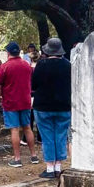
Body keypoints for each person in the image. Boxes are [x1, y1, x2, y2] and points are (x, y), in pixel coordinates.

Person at [0, 41, 39, 167]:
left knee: (14, 128)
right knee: (27, 127)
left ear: (8, 52)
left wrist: (1, 95)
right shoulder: (26, 65)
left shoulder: (5, 66)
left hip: (10, 101)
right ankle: (34, 155)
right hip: (25, 100)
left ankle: (17, 158)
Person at [32, 38, 71, 178]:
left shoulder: (41, 64)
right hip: (64, 106)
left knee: (47, 137)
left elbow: (33, 85)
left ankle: (49, 168)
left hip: (43, 106)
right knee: (61, 136)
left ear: (47, 51)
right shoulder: (68, 65)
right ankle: (58, 167)